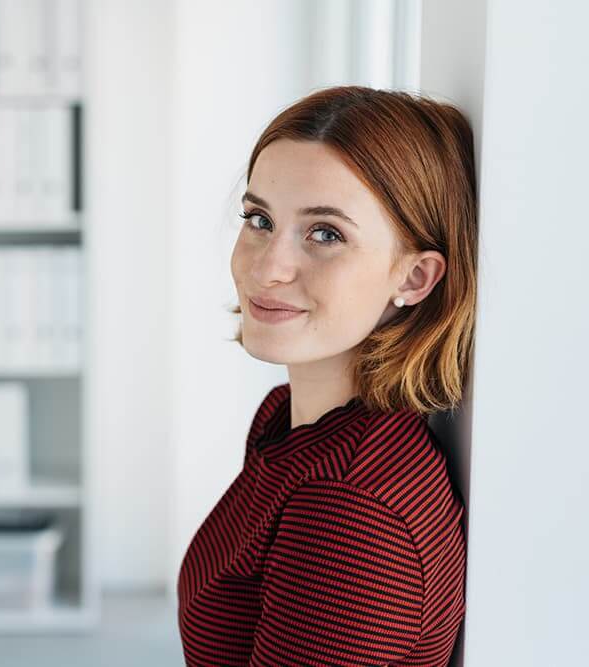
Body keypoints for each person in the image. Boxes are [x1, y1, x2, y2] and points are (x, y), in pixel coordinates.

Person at [177, 85, 475, 666]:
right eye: (259, 219)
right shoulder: (286, 421)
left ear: (413, 278)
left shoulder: (353, 511)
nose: (269, 267)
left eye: (326, 234)